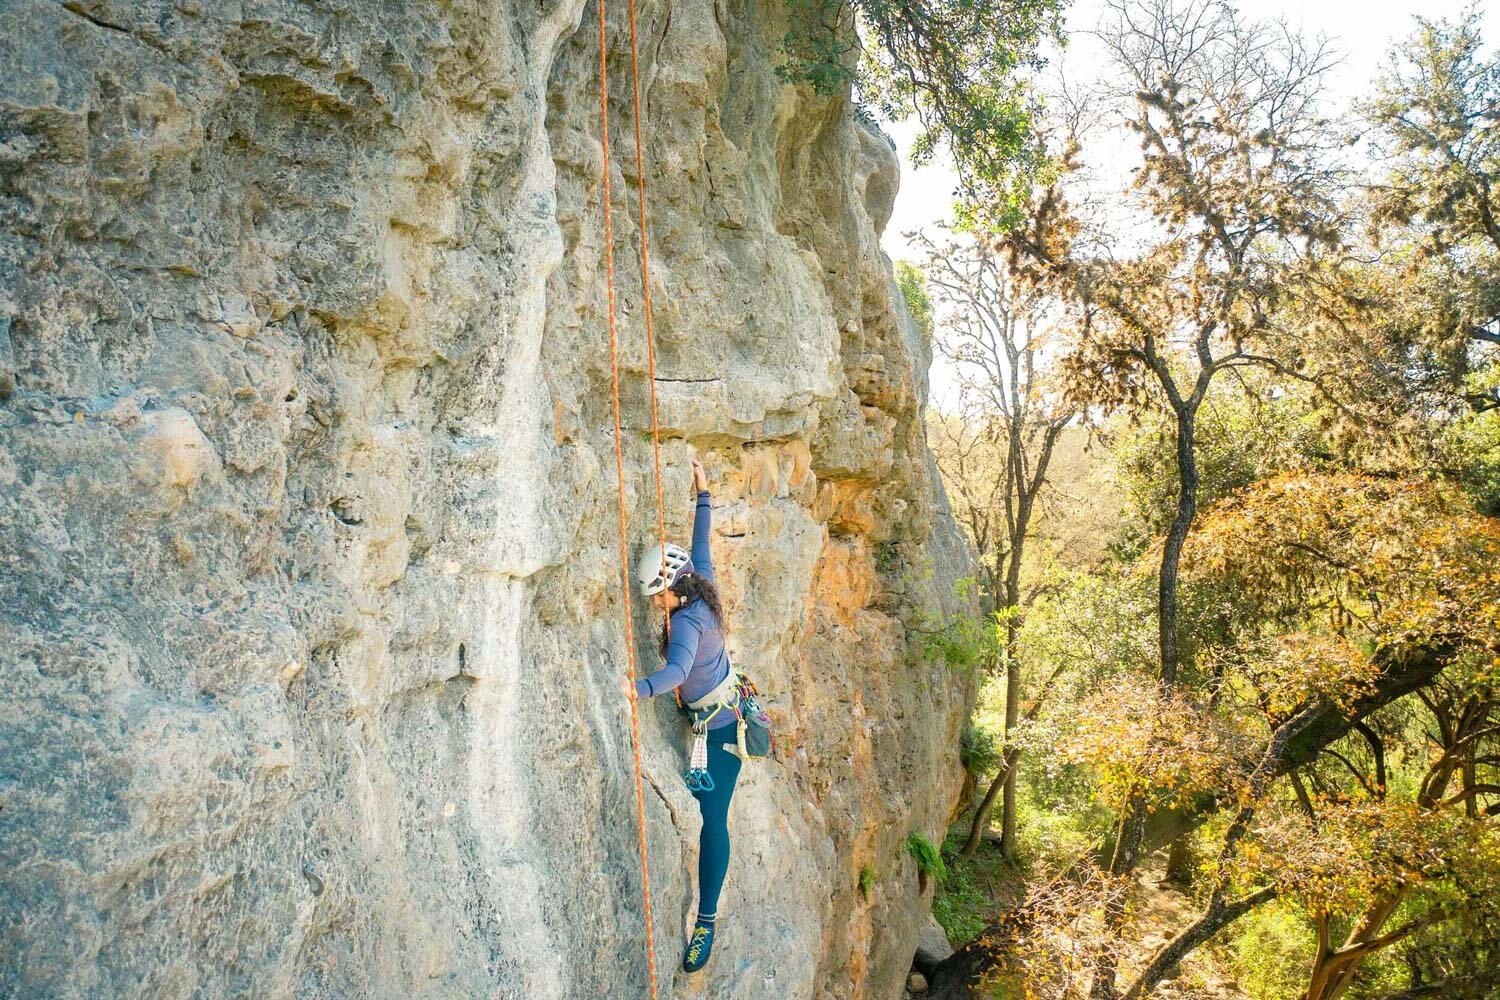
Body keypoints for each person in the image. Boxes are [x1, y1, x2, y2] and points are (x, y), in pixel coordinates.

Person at [618, 457, 740, 974]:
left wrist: (636, 688)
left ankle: (706, 920)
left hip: (720, 733)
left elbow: (676, 670)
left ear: (672, 589)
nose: (656, 605)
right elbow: (703, 542)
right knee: (704, 806)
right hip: (719, 715)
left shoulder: (689, 623)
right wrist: (704, 491)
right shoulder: (701, 582)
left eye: (657, 596)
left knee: (713, 822)